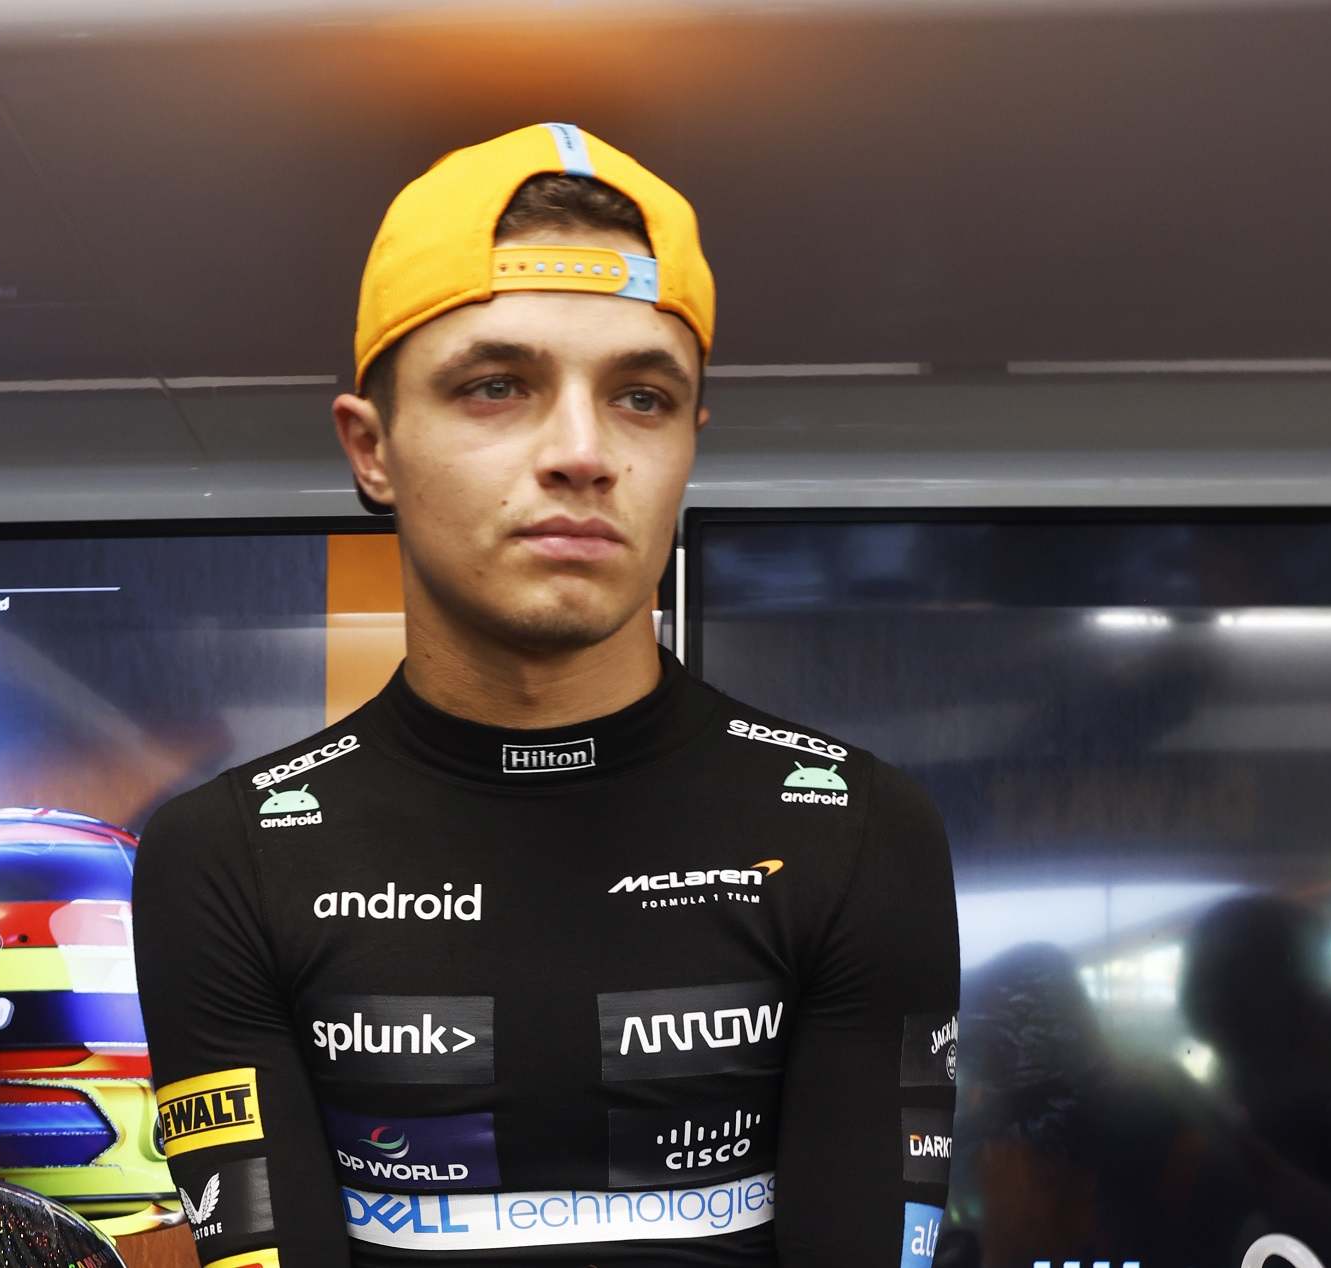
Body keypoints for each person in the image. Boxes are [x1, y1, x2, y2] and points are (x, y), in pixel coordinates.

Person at [132, 122, 960, 1267]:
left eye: (641, 397)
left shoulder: (857, 828)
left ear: (688, 445)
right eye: (496, 386)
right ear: (370, 449)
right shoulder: (223, 855)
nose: (582, 451)